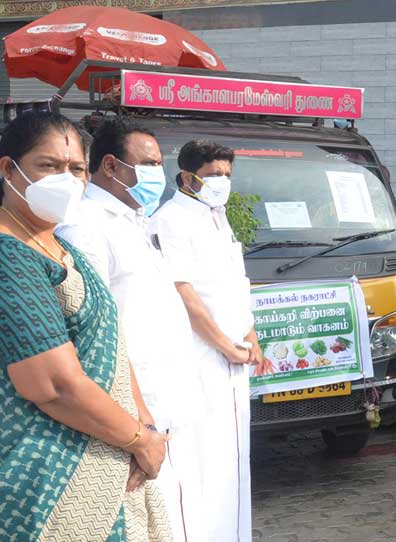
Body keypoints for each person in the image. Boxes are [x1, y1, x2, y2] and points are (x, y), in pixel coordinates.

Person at [0, 112, 170, 541]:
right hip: (47, 479)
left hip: (111, 453)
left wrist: (145, 428)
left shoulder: (59, 245)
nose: (66, 179)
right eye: (49, 166)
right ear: (8, 168)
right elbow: (53, 385)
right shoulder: (9, 255)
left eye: (76, 169)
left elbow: (111, 342)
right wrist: (139, 441)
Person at [56, 118, 207, 542]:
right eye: (149, 163)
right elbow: (92, 333)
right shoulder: (85, 227)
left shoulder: (134, 221)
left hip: (165, 410)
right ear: (110, 165)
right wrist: (136, 425)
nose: (158, 174)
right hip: (134, 418)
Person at [149, 140, 267, 542]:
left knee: (232, 463)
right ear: (187, 177)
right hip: (201, 358)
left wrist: (249, 337)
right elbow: (185, 295)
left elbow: (235, 284)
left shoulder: (217, 215)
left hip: (234, 357)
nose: (222, 183)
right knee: (201, 464)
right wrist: (223, 344)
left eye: (227, 176)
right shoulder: (171, 220)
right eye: (214, 175)